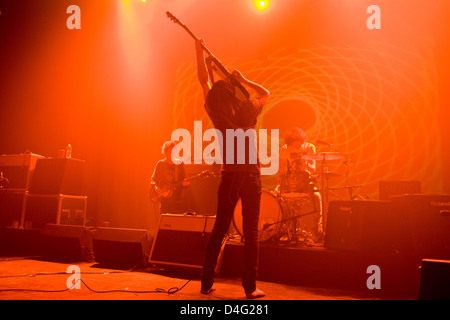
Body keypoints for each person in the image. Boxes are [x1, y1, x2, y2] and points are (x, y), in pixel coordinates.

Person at [195, 38, 270, 299]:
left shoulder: (216, 111)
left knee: (220, 228)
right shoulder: (246, 108)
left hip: (229, 175)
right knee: (250, 231)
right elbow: (265, 93)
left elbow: (203, 82)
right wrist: (244, 80)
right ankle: (250, 287)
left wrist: (198, 51)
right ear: (234, 94)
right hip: (250, 175)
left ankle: (206, 283)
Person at [278, 127, 323, 241]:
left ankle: (318, 228)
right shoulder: (285, 149)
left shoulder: (309, 148)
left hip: (306, 180)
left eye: (299, 142)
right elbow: (279, 168)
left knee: (318, 197)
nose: (297, 145)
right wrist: (281, 182)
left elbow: (313, 169)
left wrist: (305, 162)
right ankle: (281, 229)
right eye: (294, 143)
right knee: (275, 195)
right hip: (291, 181)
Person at [150, 141, 191, 215]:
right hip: (165, 200)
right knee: (164, 222)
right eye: (170, 151)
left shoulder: (179, 164)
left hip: (177, 199)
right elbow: (153, 180)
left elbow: (184, 179)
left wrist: (186, 184)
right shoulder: (160, 164)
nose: (172, 153)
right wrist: (156, 187)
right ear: (165, 152)